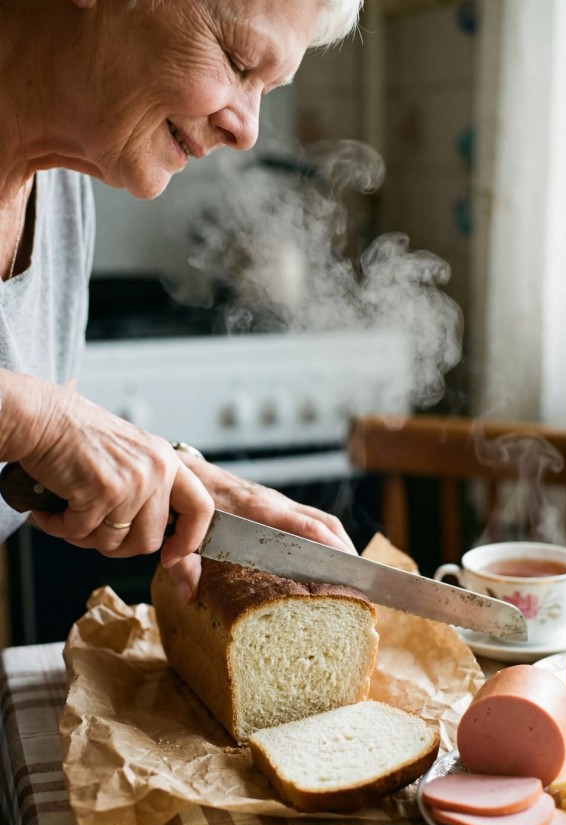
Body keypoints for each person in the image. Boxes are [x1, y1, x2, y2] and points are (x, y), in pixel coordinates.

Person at [0, 0, 362, 606]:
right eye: (238, 61)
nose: (247, 131)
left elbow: (31, 454)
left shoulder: (63, 189)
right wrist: (40, 422)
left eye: (266, 90)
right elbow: (37, 423)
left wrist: (191, 486)